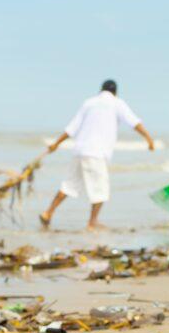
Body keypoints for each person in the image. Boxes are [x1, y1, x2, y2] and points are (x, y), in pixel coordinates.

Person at [39, 80, 155, 231]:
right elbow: (134, 123)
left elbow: (72, 128)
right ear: (115, 92)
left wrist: (56, 143)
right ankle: (92, 222)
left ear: (101, 90)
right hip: (97, 152)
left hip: (80, 150)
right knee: (100, 189)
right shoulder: (117, 103)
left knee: (69, 184)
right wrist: (149, 139)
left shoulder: (89, 103)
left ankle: (48, 212)